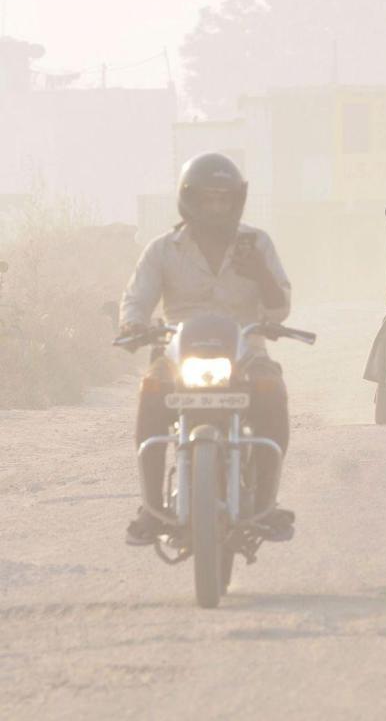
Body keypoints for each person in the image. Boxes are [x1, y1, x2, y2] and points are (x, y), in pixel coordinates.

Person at [119, 152, 292, 545]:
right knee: (150, 391)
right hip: (177, 355)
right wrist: (132, 324)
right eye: (207, 198)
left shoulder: (257, 244)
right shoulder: (162, 249)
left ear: (237, 200)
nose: (216, 207)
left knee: (272, 391)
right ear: (189, 200)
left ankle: (267, 504)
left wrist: (261, 274)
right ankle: (151, 507)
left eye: (224, 198)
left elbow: (280, 309)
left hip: (246, 352)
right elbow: (136, 298)